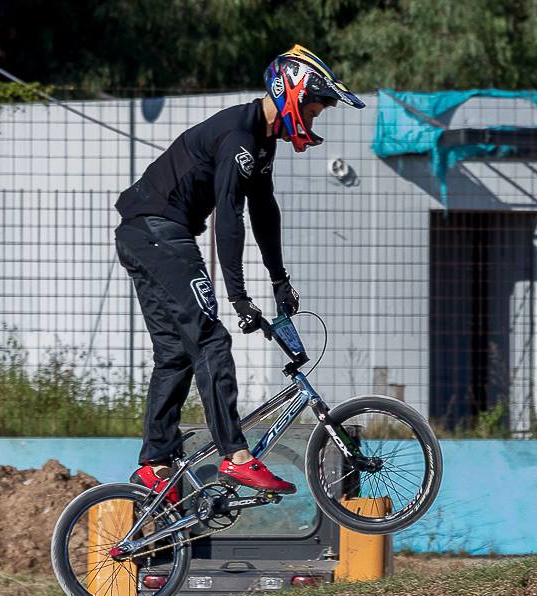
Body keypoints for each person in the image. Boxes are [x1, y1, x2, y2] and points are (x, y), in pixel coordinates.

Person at [113, 45, 365, 502]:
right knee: (211, 340)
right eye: (313, 107)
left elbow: (263, 211)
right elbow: (229, 216)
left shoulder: (259, 139)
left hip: (144, 235)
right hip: (157, 232)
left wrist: (278, 279)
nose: (314, 118)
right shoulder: (240, 136)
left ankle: (155, 464)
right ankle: (235, 455)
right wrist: (237, 295)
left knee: (175, 352)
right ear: (290, 93)